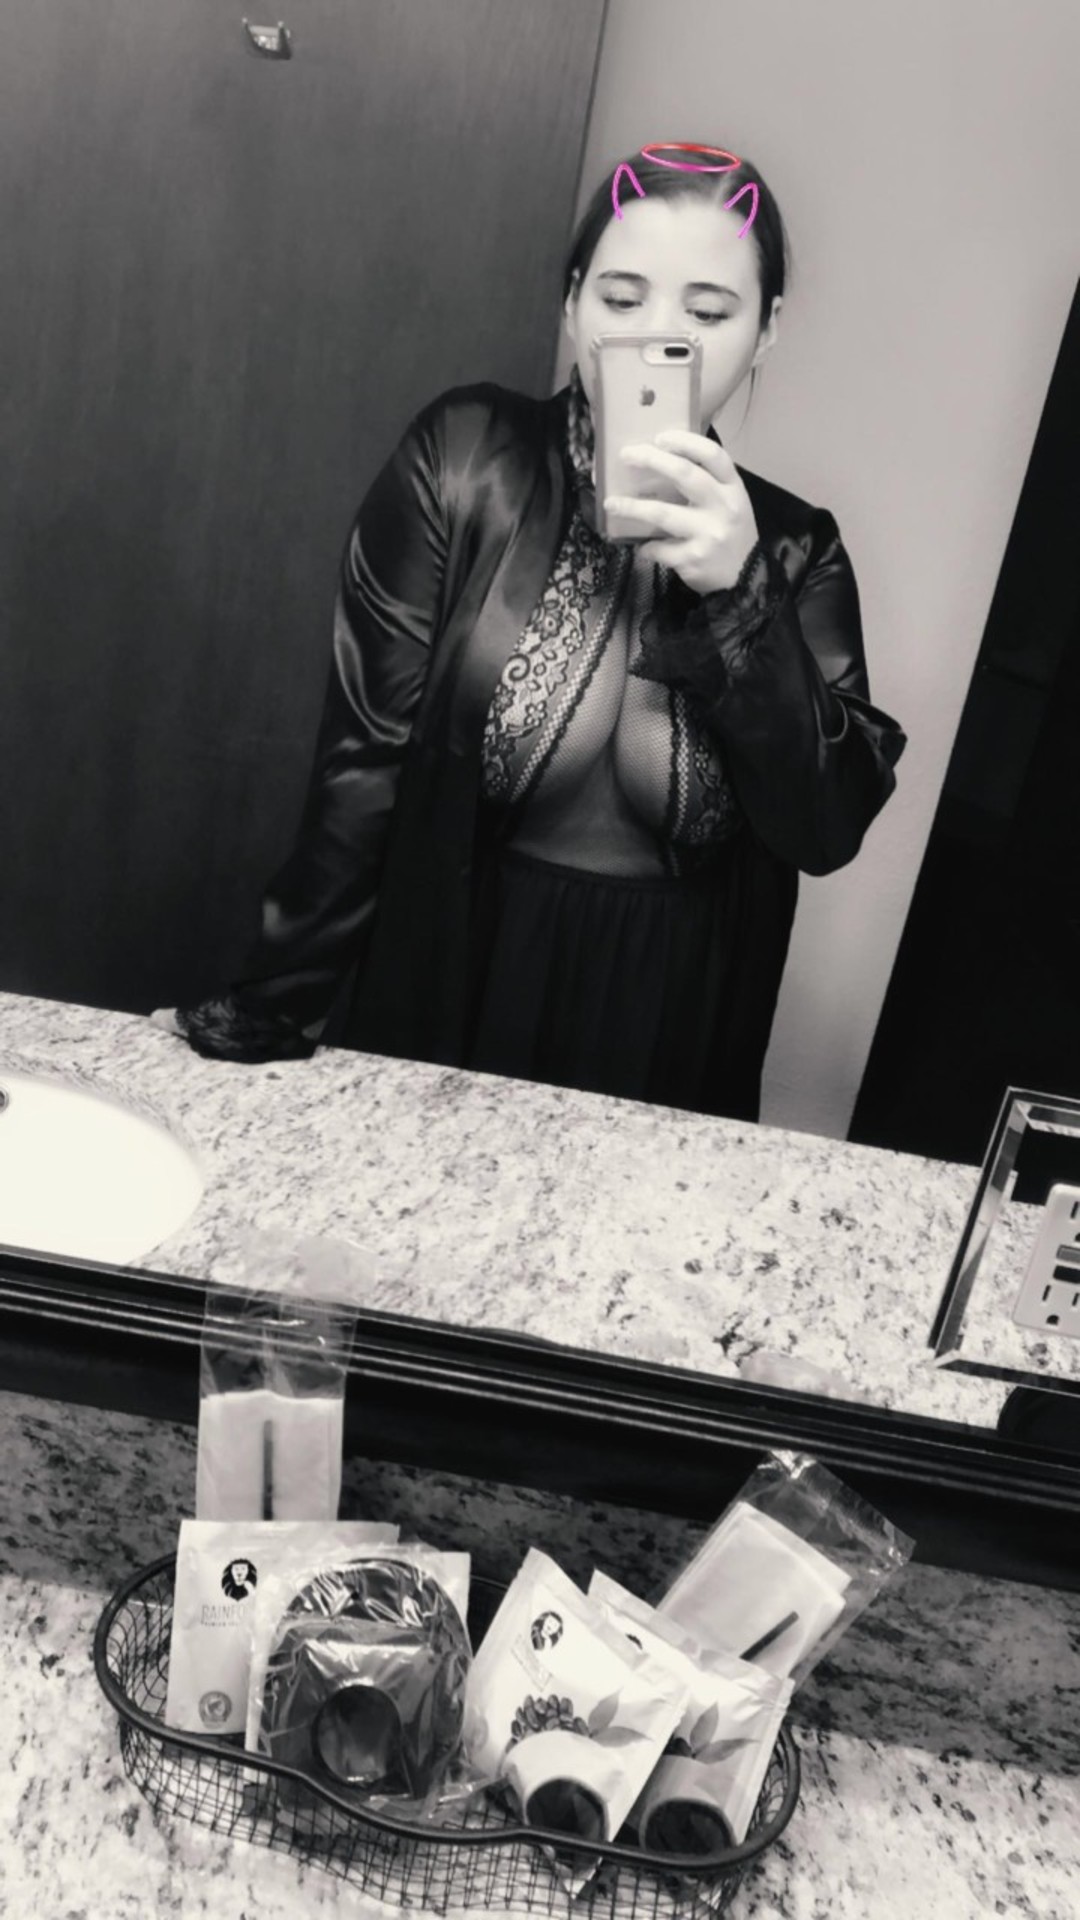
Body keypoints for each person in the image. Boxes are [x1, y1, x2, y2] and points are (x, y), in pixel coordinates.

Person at [153, 145, 907, 1122]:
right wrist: (269, 1012)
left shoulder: (797, 548)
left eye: (709, 313)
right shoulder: (466, 458)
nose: (658, 337)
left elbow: (824, 827)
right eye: (622, 298)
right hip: (456, 993)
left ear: (765, 333)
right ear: (572, 304)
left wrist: (741, 591)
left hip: (669, 1036)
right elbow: (363, 764)